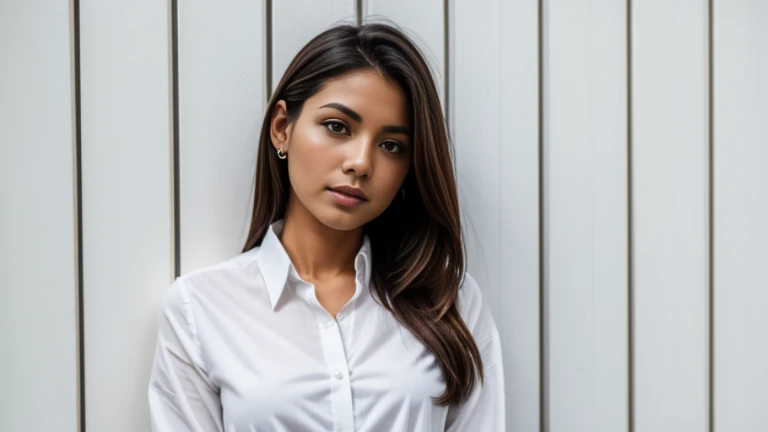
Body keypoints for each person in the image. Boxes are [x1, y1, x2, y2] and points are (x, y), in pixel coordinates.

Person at [147, 22, 505, 431]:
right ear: (282, 128)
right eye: (338, 127)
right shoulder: (200, 309)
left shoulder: (448, 301)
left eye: (391, 146)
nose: (361, 162)